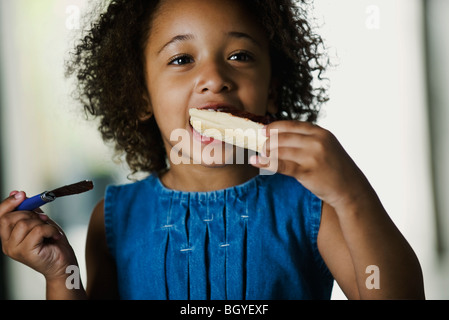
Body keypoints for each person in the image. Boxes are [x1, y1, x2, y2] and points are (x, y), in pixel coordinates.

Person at [0, 0, 425, 300]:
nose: (214, 78)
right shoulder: (113, 220)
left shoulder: (312, 206)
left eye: (240, 55)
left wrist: (352, 195)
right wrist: (61, 276)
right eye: (182, 59)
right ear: (142, 95)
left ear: (272, 88)